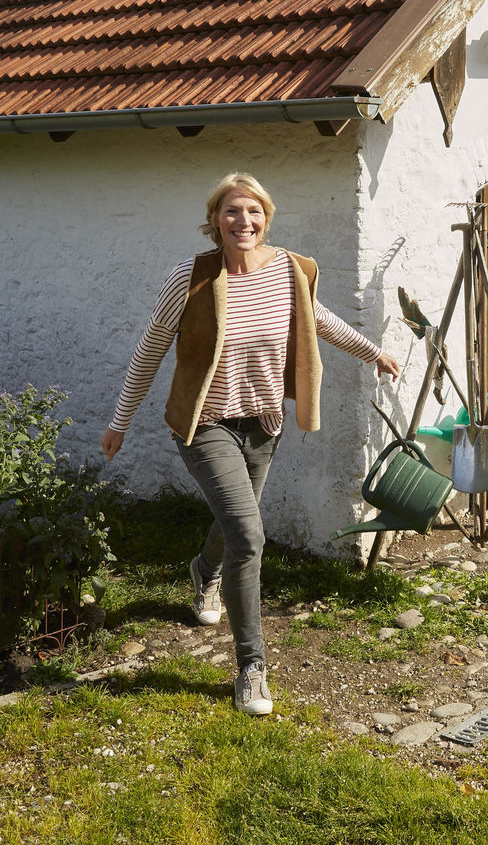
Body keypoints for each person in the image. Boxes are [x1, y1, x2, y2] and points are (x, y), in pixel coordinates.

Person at [101, 171, 400, 717]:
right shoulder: (189, 278)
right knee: (248, 534)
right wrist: (120, 421)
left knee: (235, 524)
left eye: (254, 212)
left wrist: (371, 351)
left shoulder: (289, 270)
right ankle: (250, 666)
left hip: (263, 423)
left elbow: (319, 320)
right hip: (206, 424)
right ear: (215, 220)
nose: (244, 221)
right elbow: (150, 349)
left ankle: (204, 572)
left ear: (267, 219)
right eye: (233, 211)